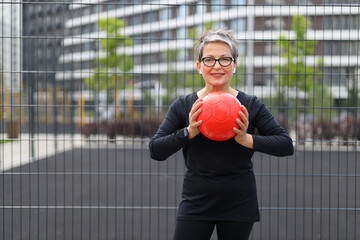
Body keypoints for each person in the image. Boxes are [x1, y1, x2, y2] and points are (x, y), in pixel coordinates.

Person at [148, 28, 294, 240]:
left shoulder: (250, 105)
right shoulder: (183, 106)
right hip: (196, 202)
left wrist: (247, 139)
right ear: (199, 66)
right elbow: (156, 150)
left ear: (234, 65)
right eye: (209, 60)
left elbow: (285, 144)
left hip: (239, 203)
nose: (217, 66)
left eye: (225, 59)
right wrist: (188, 132)